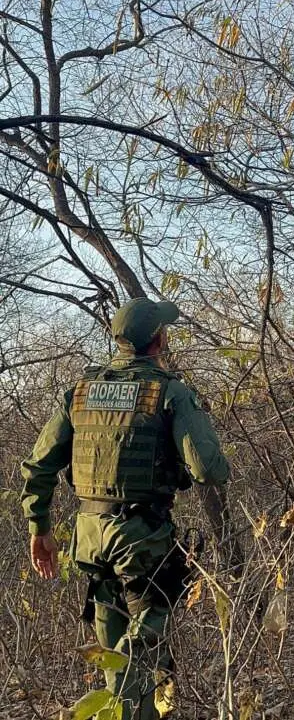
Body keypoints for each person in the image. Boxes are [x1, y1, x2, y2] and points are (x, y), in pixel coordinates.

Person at [21, 298, 230, 720]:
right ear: (159, 340)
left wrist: (39, 526)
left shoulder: (80, 393)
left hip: (89, 537)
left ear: (118, 341)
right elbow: (209, 470)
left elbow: (40, 466)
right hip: (141, 539)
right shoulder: (169, 392)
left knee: (114, 650)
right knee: (140, 648)